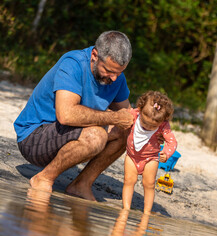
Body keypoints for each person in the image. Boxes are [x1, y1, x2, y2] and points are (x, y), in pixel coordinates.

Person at [14, 31, 135, 201]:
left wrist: (155, 131)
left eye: (119, 72)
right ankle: (44, 178)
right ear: (95, 55)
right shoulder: (73, 64)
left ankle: (81, 184)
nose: (114, 78)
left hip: (66, 136)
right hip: (33, 138)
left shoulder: (116, 78)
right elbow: (66, 115)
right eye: (108, 71)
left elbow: (129, 115)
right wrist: (113, 118)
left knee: (126, 131)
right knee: (96, 135)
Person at [122, 91, 177, 214]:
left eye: (152, 126)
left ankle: (147, 212)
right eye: (145, 123)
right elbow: (122, 117)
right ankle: (125, 209)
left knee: (149, 184)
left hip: (150, 159)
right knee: (128, 181)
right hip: (132, 156)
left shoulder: (164, 126)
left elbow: (172, 142)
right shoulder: (134, 114)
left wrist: (166, 153)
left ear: (163, 120)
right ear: (140, 110)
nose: (147, 127)